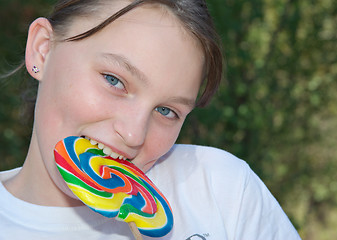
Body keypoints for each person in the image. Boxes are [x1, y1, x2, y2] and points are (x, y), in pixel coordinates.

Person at [0, 0, 301, 239]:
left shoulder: (221, 191)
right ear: (42, 50)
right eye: (114, 80)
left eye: (166, 111)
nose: (133, 135)